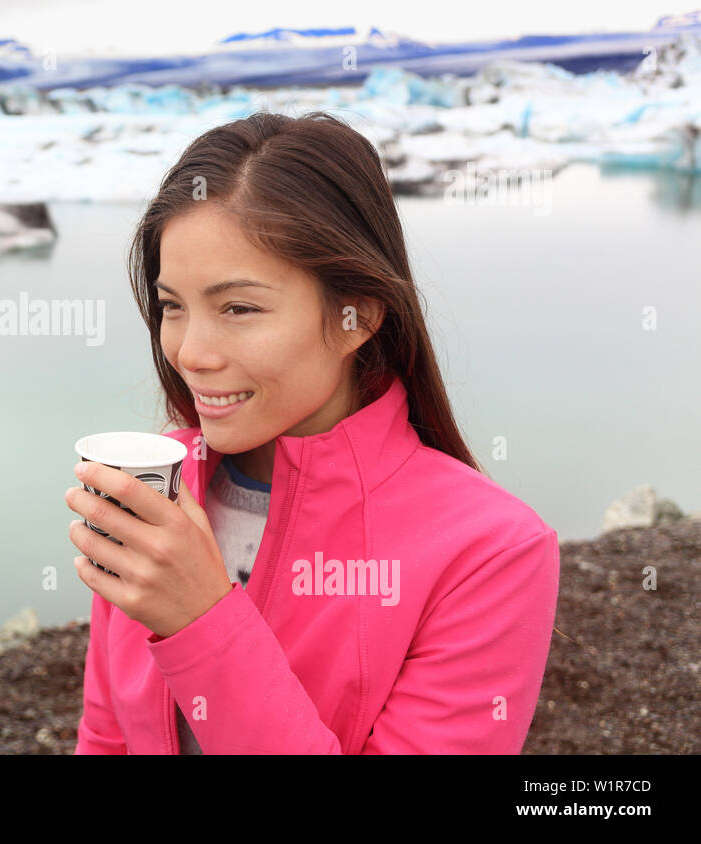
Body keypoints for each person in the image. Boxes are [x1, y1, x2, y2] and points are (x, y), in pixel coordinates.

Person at [66, 109, 560, 754]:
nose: (191, 353)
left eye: (238, 308)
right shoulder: (155, 488)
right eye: (172, 307)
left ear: (357, 316)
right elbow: (106, 737)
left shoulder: (491, 554)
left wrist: (202, 621)